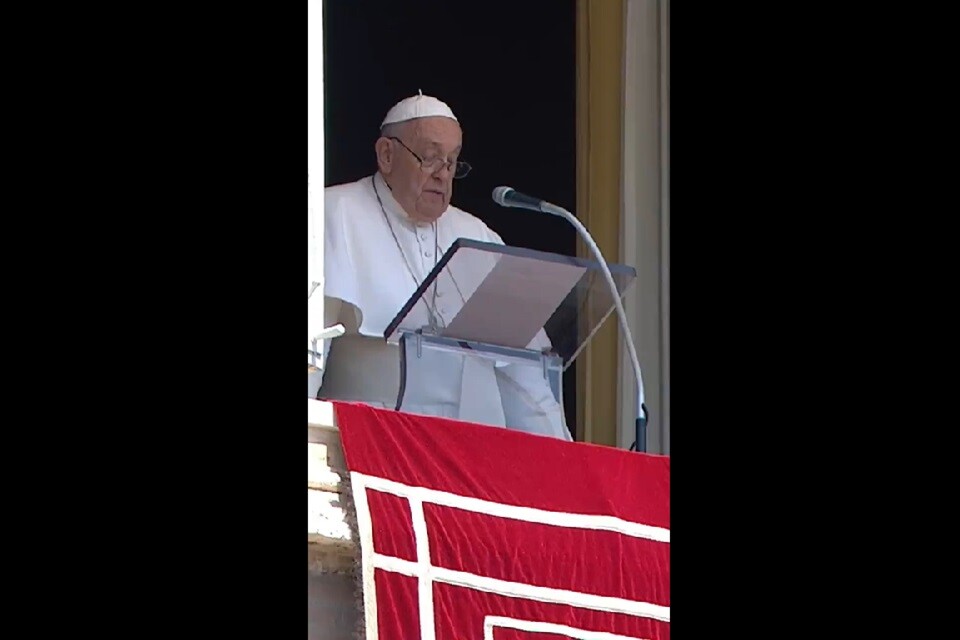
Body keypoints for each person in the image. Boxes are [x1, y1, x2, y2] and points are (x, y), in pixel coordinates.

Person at [308, 91, 571, 441]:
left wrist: (564, 454)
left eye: (452, 162)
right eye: (430, 158)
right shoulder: (332, 216)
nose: (442, 175)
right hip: (369, 446)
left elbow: (522, 376)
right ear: (386, 155)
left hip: (466, 454)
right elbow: (312, 352)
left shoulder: (479, 236)